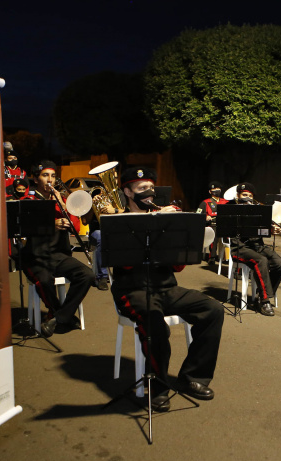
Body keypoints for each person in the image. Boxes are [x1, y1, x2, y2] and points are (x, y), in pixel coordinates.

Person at [111, 166, 224, 412]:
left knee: (213, 310)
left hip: (166, 287)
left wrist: (178, 235)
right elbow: (124, 263)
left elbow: (177, 267)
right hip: (132, 290)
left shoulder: (163, 220)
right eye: (142, 188)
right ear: (128, 192)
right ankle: (158, 386)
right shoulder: (118, 222)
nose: (149, 193)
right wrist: (152, 224)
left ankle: (192, 377)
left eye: (151, 188)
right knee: (154, 324)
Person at [20, 160, 96, 337]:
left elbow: (76, 228)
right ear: (36, 179)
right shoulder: (29, 201)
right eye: (45, 175)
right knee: (44, 281)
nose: (50, 180)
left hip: (59, 255)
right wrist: (51, 224)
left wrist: (63, 207)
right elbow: (25, 228)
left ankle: (58, 317)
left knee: (87, 275)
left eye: (53, 176)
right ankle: (59, 313)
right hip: (35, 256)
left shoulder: (61, 201)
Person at [228, 182, 281, 316]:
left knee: (280, 264)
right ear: (238, 195)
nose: (247, 198)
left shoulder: (258, 211)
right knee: (261, 261)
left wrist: (272, 230)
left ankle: (262, 294)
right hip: (240, 247)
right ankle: (265, 301)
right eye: (244, 195)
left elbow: (263, 230)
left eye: (250, 196)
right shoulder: (231, 210)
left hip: (257, 246)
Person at [198, 181, 226, 261]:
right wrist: (206, 217)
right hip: (212, 224)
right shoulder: (205, 202)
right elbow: (198, 214)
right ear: (210, 192)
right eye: (214, 189)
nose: (216, 190)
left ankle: (227, 257)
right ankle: (212, 256)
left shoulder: (226, 202)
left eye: (218, 189)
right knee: (214, 234)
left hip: (224, 224)